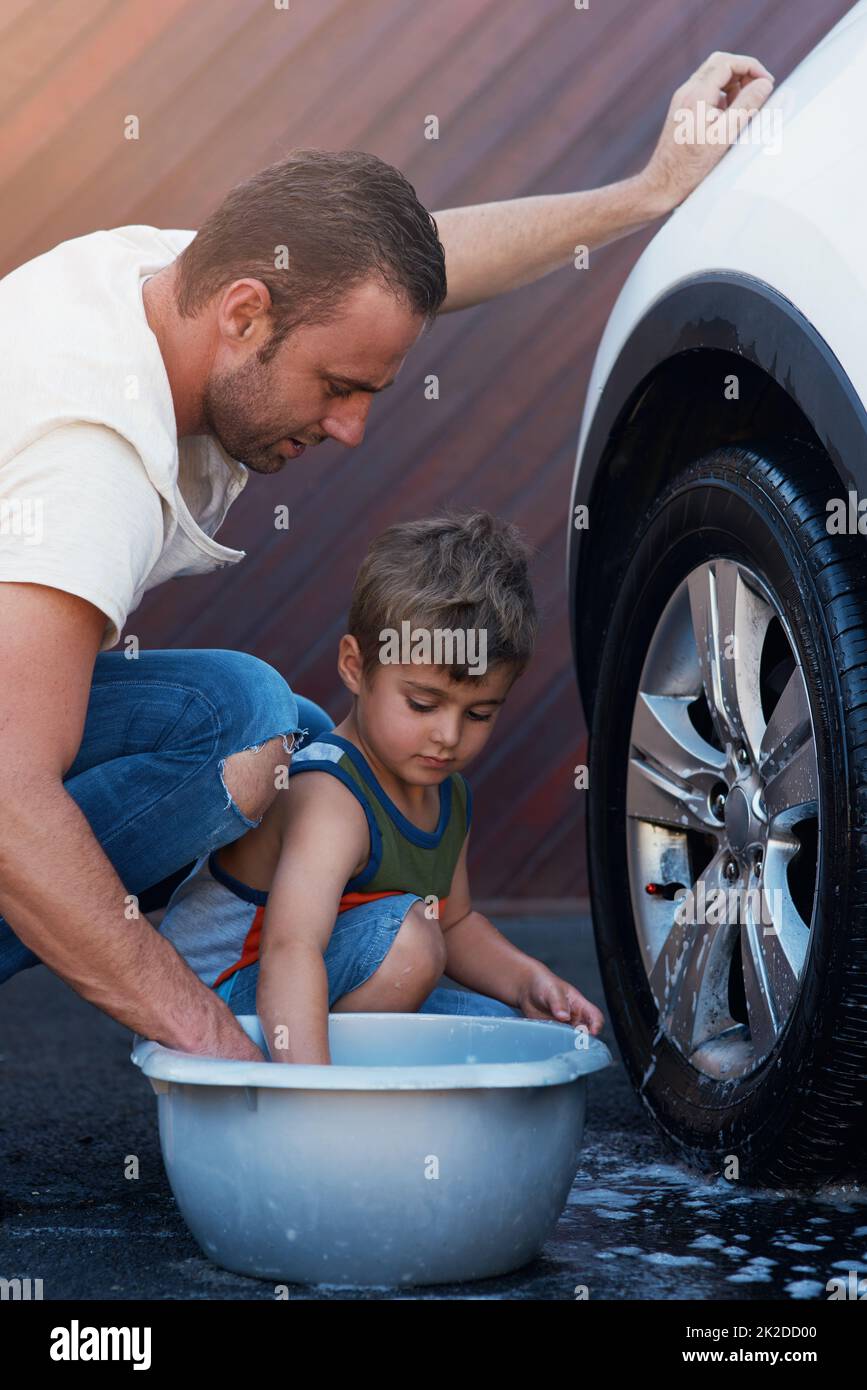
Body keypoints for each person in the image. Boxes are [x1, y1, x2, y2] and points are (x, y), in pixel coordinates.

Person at [0, 52, 774, 1060]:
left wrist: (647, 191)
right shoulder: (87, 465)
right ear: (243, 317)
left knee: (270, 721)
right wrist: (213, 1050)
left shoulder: (172, 286)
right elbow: (13, 798)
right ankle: (213, 988)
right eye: (336, 388)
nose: (353, 429)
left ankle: (297, 973)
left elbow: (411, 268)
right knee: (237, 740)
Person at [158, 511, 605, 1063]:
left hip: (322, 984)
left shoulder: (447, 792)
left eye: (480, 713)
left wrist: (528, 981)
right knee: (410, 946)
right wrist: (309, 1098)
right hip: (227, 1005)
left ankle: (375, 1100)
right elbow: (291, 949)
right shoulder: (330, 796)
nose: (448, 736)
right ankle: (326, 1097)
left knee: (509, 1034)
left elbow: (456, 921)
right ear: (355, 666)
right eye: (422, 703)